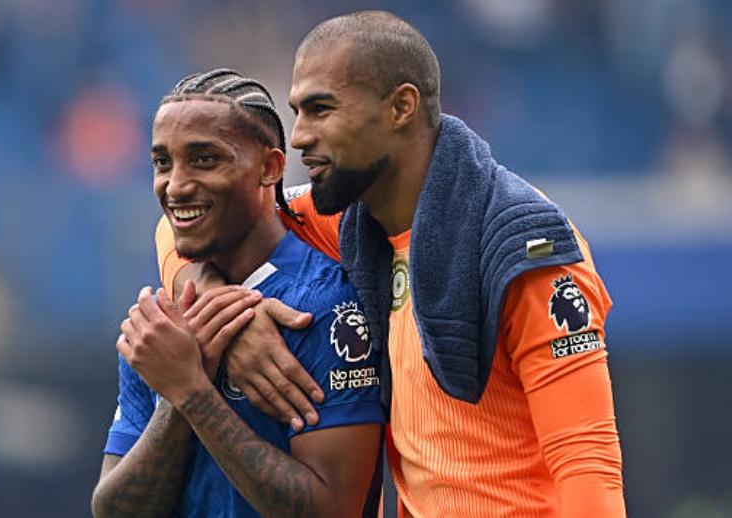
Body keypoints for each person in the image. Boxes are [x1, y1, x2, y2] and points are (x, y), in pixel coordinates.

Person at [155, 10, 626, 518]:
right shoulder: (354, 221)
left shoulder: (523, 247)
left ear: (401, 106)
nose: (300, 136)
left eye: (320, 109)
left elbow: (586, 460)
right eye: (297, 112)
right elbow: (188, 223)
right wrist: (221, 307)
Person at [91, 68, 385, 518]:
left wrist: (194, 394)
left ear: (270, 168)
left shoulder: (327, 308)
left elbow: (335, 509)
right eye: (162, 163)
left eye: (205, 159)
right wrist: (178, 397)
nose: (176, 186)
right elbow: (113, 511)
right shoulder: (160, 326)